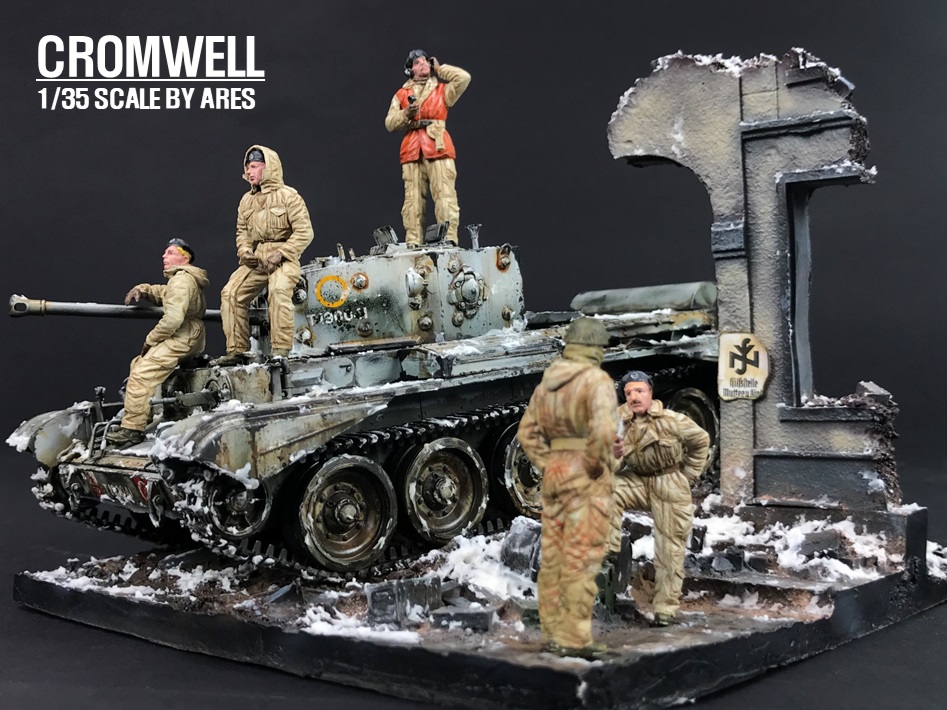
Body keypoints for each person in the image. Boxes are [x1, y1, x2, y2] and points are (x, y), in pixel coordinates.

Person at [517, 317, 619, 658]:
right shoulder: (596, 380)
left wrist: (548, 463)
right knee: (581, 556)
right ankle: (574, 638)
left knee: (553, 556)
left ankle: (551, 631)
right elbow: (603, 432)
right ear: (594, 347)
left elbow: (526, 432)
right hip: (584, 473)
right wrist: (594, 465)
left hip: (556, 470)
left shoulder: (547, 383)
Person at [609, 371, 710, 626]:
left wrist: (688, 476)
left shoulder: (671, 420)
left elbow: (701, 440)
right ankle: (608, 549)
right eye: (628, 393)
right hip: (638, 481)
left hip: (669, 483)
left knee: (669, 549)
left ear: (650, 393)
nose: (634, 397)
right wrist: (615, 455)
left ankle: (665, 608)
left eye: (639, 391)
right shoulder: (619, 422)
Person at [214, 145, 314, 365]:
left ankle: (280, 350)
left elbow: (305, 232)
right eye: (248, 167)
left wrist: (282, 252)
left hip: (284, 257)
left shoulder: (289, 196)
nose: (249, 172)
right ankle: (237, 351)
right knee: (231, 293)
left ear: (268, 168)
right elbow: (242, 232)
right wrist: (245, 251)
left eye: (254, 166)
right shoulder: (246, 201)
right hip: (259, 257)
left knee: (278, 291)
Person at [106, 239, 209, 447]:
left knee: (141, 373)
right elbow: (164, 293)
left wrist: (151, 339)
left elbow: (172, 319)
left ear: (185, 258)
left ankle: (132, 430)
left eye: (170, 252)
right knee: (138, 364)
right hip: (187, 333)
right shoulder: (181, 280)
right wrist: (143, 290)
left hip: (183, 335)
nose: (164, 256)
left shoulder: (181, 281)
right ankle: (142, 417)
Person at [385, 50, 470, 246]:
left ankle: (449, 238)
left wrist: (440, 69)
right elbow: (390, 123)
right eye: (417, 62)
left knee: (445, 195)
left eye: (425, 61)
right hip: (412, 148)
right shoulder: (402, 94)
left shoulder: (442, 90)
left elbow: (463, 78)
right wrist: (406, 113)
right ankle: (413, 241)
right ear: (410, 70)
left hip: (438, 146)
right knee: (412, 200)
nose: (422, 64)